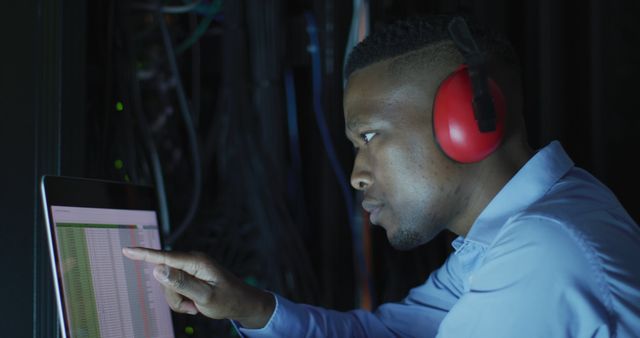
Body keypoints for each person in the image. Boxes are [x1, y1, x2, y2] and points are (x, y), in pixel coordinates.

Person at [123, 15, 640, 337]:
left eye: (368, 137)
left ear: (466, 122)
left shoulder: (543, 253)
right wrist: (252, 308)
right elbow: (394, 333)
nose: (356, 177)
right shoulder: (514, 232)